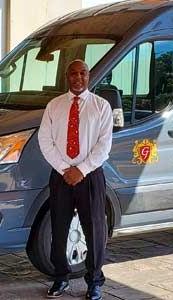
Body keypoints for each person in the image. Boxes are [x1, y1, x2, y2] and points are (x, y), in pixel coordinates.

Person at [38, 59, 113, 300]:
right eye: (73, 73)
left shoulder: (101, 107)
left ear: (88, 76)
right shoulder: (54, 106)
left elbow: (104, 146)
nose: (78, 77)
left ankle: (94, 281)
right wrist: (64, 169)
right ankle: (61, 278)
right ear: (66, 76)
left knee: (94, 230)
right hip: (61, 177)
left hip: (90, 176)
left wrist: (81, 169)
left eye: (82, 73)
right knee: (59, 228)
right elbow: (45, 141)